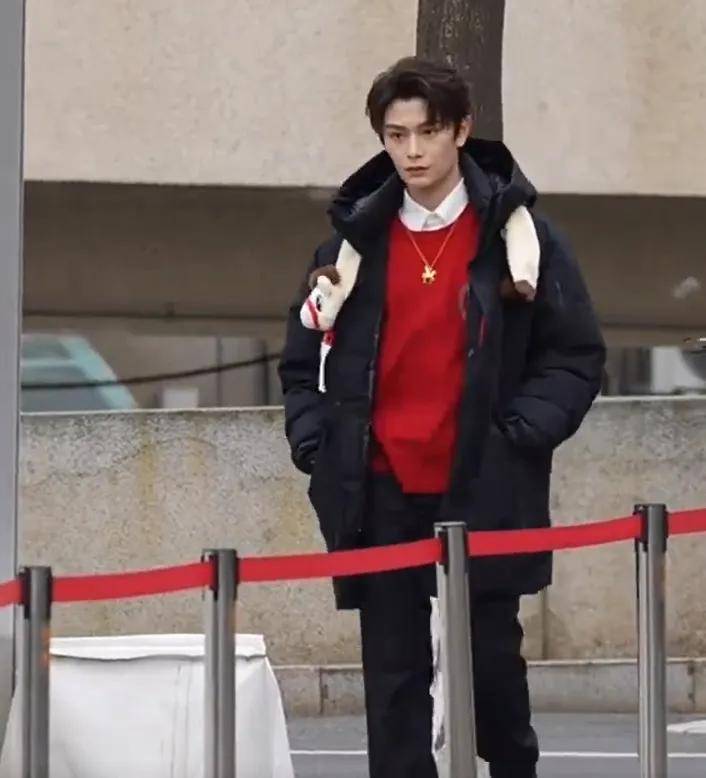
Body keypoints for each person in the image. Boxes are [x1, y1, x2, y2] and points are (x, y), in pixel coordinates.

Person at [278, 57, 605, 778]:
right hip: (380, 487)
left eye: (428, 132)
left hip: (481, 479)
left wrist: (519, 435)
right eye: (396, 136)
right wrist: (318, 444)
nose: (413, 151)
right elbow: (302, 363)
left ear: (461, 130)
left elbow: (574, 356)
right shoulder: (352, 245)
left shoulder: (522, 239)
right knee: (394, 683)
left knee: (492, 676)